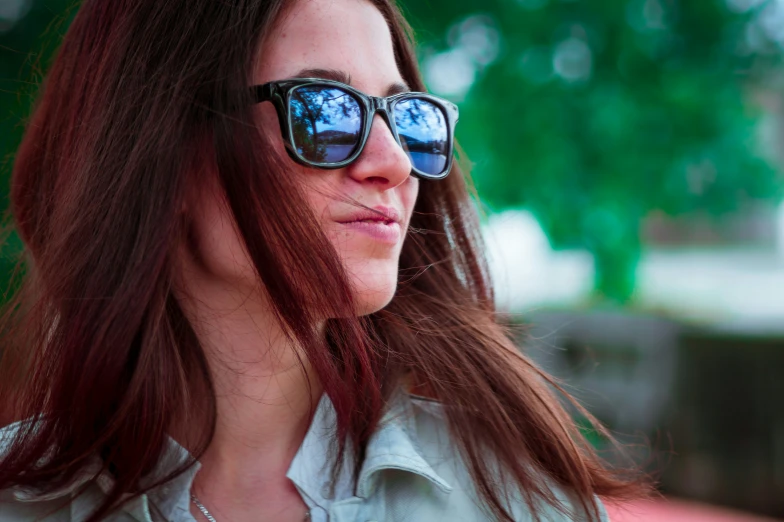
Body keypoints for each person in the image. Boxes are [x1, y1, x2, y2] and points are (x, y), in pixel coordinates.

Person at [0, 0, 646, 520]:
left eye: (409, 118)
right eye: (325, 112)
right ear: (164, 154)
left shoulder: (513, 496)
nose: (393, 162)